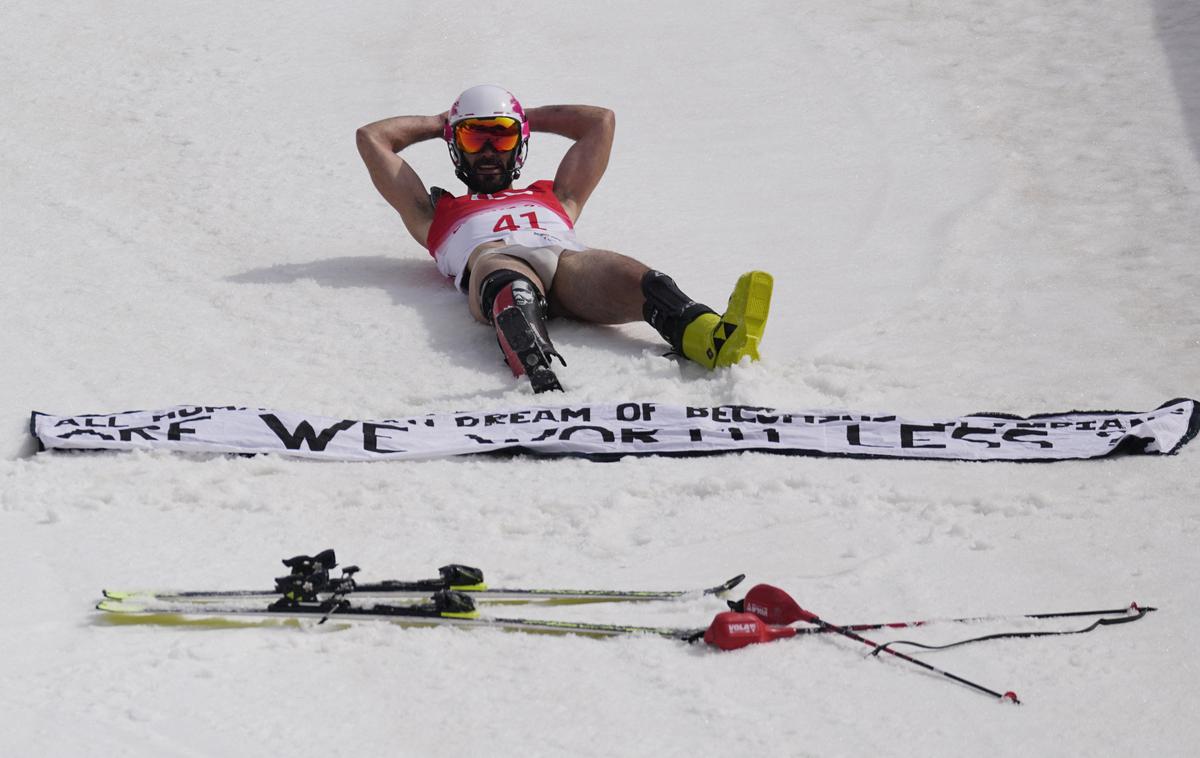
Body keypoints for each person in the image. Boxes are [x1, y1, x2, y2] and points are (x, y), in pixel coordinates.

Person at [356, 84, 772, 392]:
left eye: (500, 135)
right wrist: (441, 122)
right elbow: (372, 137)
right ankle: (537, 372)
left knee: (644, 280)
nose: (487, 149)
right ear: (455, 146)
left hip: (568, 265)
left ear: (518, 144)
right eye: (472, 137)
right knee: (507, 278)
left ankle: (712, 339)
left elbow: (600, 121)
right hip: (497, 266)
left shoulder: (558, 196)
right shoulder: (433, 215)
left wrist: (522, 115)